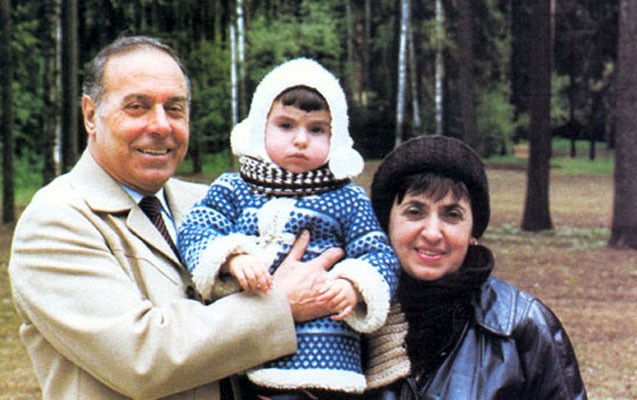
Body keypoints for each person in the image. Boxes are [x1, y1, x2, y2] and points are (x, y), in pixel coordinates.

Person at [8, 36, 344, 400]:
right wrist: (281, 304)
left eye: (174, 108)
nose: (160, 125)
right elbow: (141, 358)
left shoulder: (209, 204)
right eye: (137, 107)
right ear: (91, 115)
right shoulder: (55, 221)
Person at [177, 58, 399, 398]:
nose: (301, 140)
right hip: (247, 361)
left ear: (336, 135)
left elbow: (379, 253)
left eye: (316, 129)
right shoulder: (234, 189)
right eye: (285, 125)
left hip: (329, 366)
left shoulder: (348, 198)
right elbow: (195, 230)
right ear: (260, 127)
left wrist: (354, 285)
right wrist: (231, 258)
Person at [364, 135, 587, 399]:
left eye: (452, 214)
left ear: (472, 231)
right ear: (386, 223)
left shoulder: (521, 327)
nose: (432, 233)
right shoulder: (348, 316)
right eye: (414, 211)